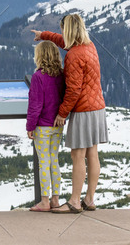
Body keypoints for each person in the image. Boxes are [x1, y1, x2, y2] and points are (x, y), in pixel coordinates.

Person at [31, 14, 108, 214]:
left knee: (77, 155)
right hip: (98, 107)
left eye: (63, 29)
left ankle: (74, 201)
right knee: (93, 153)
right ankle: (89, 199)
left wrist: (62, 113)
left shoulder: (74, 55)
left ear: (69, 30)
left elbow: (73, 90)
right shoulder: (89, 47)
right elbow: (64, 42)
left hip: (83, 109)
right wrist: (44, 35)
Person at [26, 41, 66, 212]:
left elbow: (36, 105)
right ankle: (56, 199)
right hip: (57, 125)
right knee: (54, 160)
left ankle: (44, 201)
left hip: (42, 126)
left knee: (44, 162)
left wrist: (30, 126)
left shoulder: (38, 77)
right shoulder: (61, 76)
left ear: (40, 56)